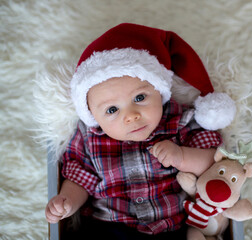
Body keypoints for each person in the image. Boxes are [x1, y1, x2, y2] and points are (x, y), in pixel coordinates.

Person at [45, 23, 236, 239]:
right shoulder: (90, 138)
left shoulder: (179, 121)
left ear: (159, 91)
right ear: (93, 116)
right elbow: (81, 178)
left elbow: (214, 162)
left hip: (171, 226)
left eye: (139, 98)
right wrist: (67, 201)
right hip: (111, 225)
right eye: (112, 109)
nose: (131, 115)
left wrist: (182, 156)